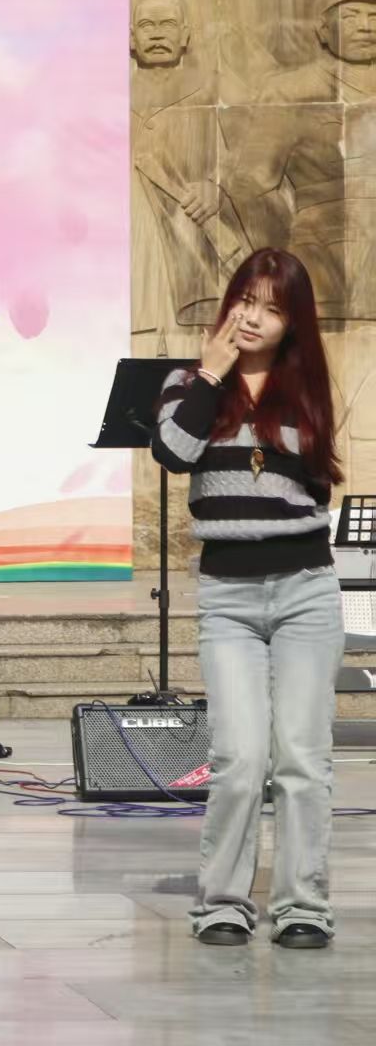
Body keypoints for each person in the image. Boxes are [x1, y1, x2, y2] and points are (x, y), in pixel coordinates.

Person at [154, 247, 345, 950]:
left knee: (302, 758)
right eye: (247, 300)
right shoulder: (187, 383)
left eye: (273, 308)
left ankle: (303, 906)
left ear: (294, 321)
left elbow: (313, 487)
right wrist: (212, 373)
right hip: (228, 597)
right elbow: (172, 453)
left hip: (304, 591)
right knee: (238, 758)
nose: (256, 318)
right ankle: (223, 903)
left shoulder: (306, 388)